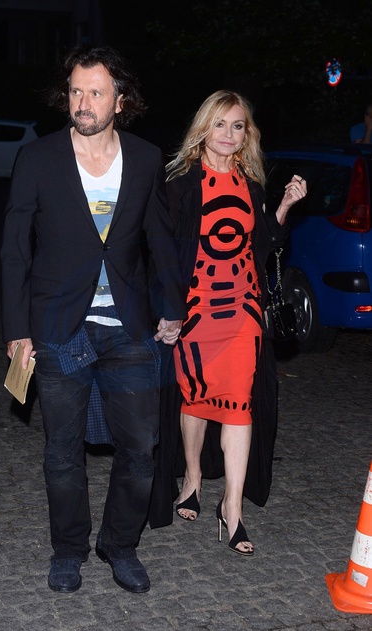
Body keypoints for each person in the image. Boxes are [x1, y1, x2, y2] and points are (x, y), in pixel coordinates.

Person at [0, 45, 186, 594]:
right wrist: (16, 329)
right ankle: (68, 550)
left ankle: (120, 544)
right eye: (76, 91)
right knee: (62, 452)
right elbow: (15, 249)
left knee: (141, 449)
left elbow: (160, 239)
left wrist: (173, 308)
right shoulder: (38, 158)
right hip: (59, 326)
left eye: (96, 93)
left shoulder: (146, 159)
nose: (83, 103)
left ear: (120, 100)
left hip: (128, 326)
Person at [165, 90, 307, 554]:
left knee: (239, 404)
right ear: (204, 128)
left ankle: (232, 507)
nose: (228, 134)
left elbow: (263, 245)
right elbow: (164, 254)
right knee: (195, 399)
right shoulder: (182, 184)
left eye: (238, 125)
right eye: (220, 124)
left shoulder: (251, 185)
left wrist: (283, 207)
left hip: (243, 310)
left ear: (248, 134)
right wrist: (166, 309)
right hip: (196, 310)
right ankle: (191, 477)